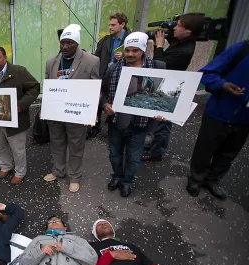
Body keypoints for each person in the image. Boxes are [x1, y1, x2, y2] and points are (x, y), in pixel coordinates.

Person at [100, 32, 167, 197]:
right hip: (117, 121)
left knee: (134, 157)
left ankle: (127, 182)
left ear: (143, 50)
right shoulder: (114, 68)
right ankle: (117, 176)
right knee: (114, 154)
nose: (129, 54)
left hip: (141, 123)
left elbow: (164, 94)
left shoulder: (157, 68)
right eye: (127, 50)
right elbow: (103, 91)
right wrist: (105, 104)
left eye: (134, 51)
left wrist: (161, 111)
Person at [186, 40, 249, 200]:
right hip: (219, 111)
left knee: (229, 153)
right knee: (205, 149)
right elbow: (207, 73)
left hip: (245, 119)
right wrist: (222, 84)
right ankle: (196, 179)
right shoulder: (243, 48)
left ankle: (213, 180)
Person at [43, 24, 100, 193]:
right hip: (56, 113)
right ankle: (58, 171)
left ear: (77, 43)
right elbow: (48, 87)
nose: (65, 47)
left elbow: (95, 88)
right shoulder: (51, 62)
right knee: (57, 144)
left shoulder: (91, 61)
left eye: (70, 43)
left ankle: (74, 176)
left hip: (77, 114)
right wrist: (45, 108)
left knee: (76, 146)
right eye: (62, 43)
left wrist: (92, 113)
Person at [144, 13, 206, 162]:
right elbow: (173, 40)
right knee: (160, 119)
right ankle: (154, 145)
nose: (175, 28)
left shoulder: (184, 50)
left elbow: (161, 66)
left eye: (178, 25)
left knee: (164, 122)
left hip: (172, 87)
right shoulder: (182, 41)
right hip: (168, 84)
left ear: (189, 30)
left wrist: (158, 46)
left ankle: (156, 153)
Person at [0, 46, 40, 184]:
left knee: (17, 149)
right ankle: (6, 166)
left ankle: (20, 172)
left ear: (5, 57)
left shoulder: (19, 71)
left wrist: (21, 105)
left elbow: (34, 87)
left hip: (15, 120)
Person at [90, 12, 132, 139]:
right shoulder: (105, 40)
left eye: (113, 25)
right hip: (104, 75)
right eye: (109, 25)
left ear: (122, 24)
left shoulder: (131, 40)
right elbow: (96, 57)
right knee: (99, 99)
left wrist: (125, 56)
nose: (110, 27)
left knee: (118, 101)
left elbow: (140, 59)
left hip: (121, 76)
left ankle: (116, 127)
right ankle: (95, 126)